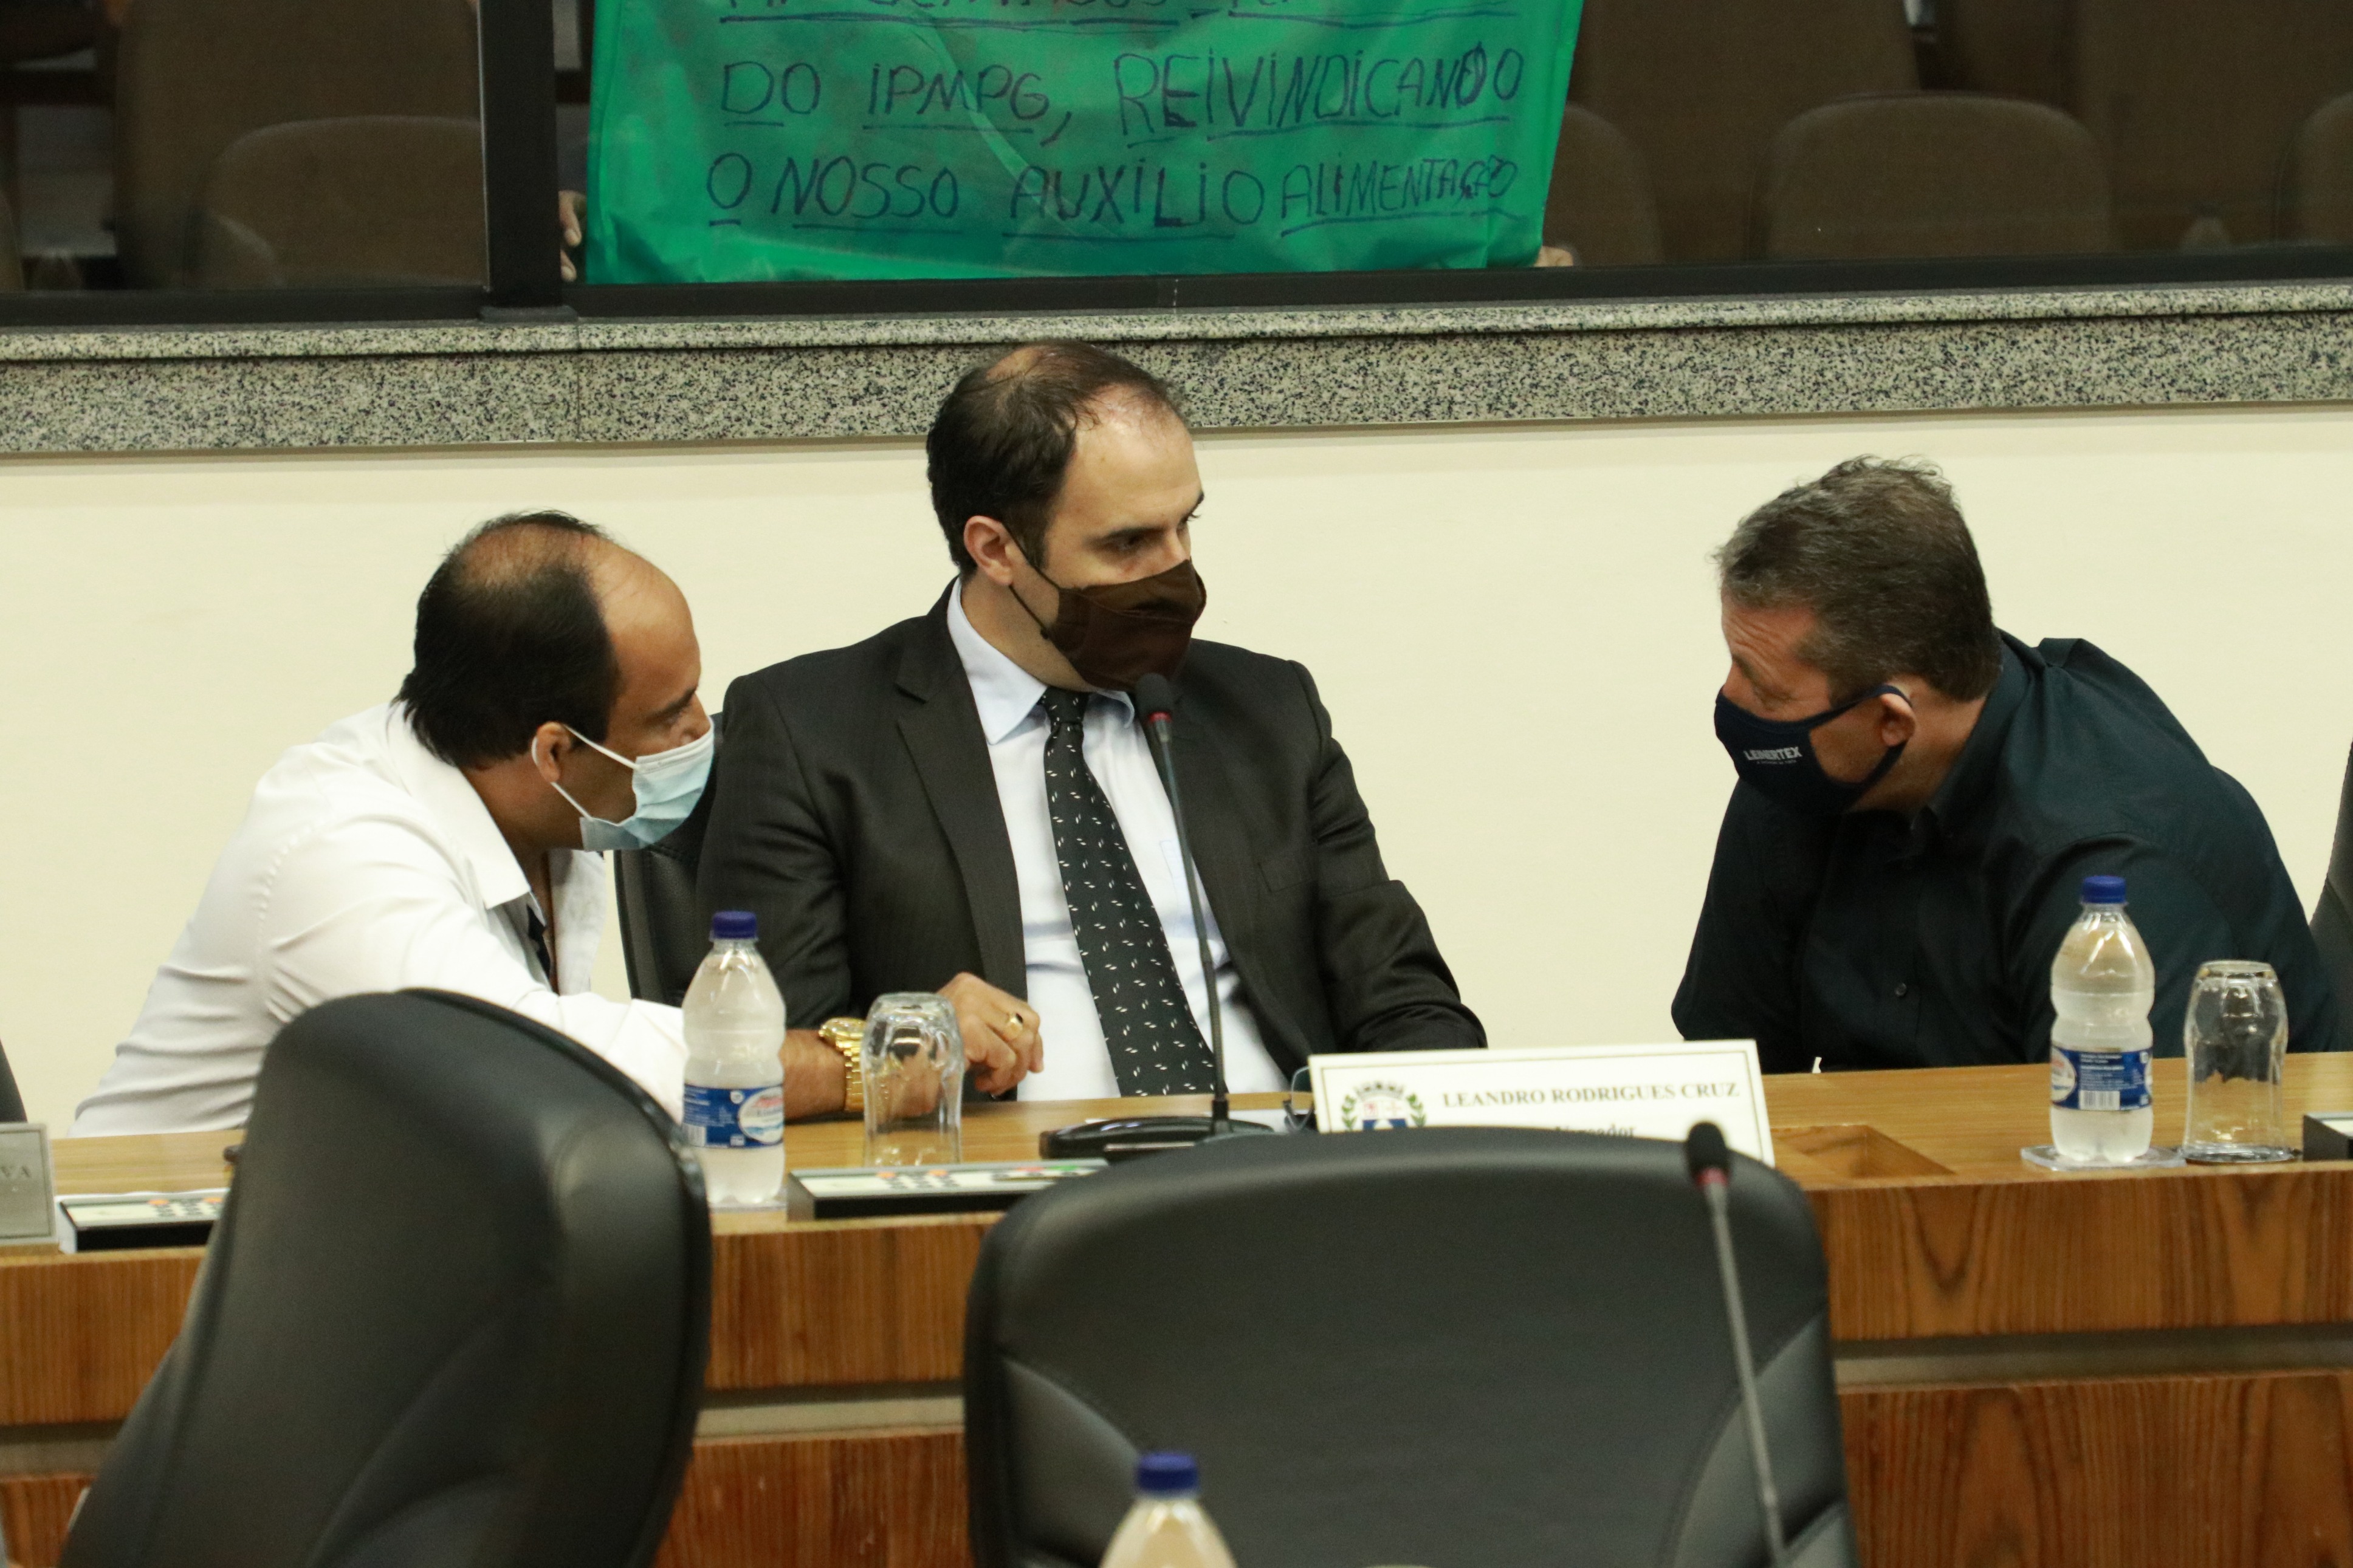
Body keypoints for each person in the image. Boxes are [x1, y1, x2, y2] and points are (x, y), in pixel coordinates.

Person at [698, 340, 1482, 1103]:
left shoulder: (1267, 708)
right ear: (996, 549)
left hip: (1273, 1159)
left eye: (1185, 525)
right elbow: (765, 1054)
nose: (1174, 570)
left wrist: (1427, 1142)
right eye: (1127, 542)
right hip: (1010, 1174)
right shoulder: (813, 731)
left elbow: (1403, 998)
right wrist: (913, 1036)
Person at [72, 512, 848, 1135]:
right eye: (669, 713)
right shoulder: (336, 849)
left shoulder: (543, 813)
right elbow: (532, 1069)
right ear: (554, 752)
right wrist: (853, 1064)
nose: (699, 729)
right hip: (157, 1262)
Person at [1675, 457, 2341, 1070]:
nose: (1733, 697)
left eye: (1764, 687)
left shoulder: (2106, 863)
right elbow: (1731, 1074)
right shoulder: (1802, 770)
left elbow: (2120, 1147)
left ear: (1891, 721)